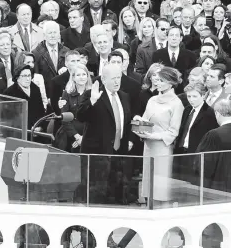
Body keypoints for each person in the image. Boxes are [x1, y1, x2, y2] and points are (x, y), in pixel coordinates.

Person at [76, 64, 133, 204]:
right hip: (98, 155)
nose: (117, 81)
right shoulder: (92, 95)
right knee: (96, 196)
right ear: (103, 79)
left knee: (117, 196)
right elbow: (81, 116)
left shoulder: (124, 96)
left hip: (119, 155)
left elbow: (126, 122)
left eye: (119, 78)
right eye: (113, 78)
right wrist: (92, 101)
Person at [134, 66, 184, 204]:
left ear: (170, 83)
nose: (157, 83)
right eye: (157, 80)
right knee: (149, 186)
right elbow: (145, 121)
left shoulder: (176, 103)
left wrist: (153, 136)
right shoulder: (152, 100)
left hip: (162, 148)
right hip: (148, 147)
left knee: (160, 188)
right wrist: (139, 122)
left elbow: (173, 132)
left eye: (161, 80)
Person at [174, 82, 218, 181]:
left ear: (203, 96)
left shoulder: (209, 113)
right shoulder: (187, 110)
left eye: (195, 96)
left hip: (196, 155)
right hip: (181, 152)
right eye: (189, 96)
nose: (191, 99)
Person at [3, 64, 46, 140]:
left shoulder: (35, 88)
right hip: (19, 134)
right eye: (24, 76)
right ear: (17, 77)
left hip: (37, 131)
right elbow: (8, 118)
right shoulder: (9, 93)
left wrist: (40, 127)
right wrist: (29, 129)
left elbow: (41, 112)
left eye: (29, 75)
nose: (28, 79)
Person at [56, 64, 92, 153]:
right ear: (73, 78)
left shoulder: (93, 93)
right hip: (69, 134)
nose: (82, 77)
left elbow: (96, 118)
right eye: (78, 75)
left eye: (84, 74)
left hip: (88, 135)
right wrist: (77, 137)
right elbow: (65, 118)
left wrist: (83, 138)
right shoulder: (67, 93)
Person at [152, 26, 197, 91]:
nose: (174, 38)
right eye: (171, 35)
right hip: (163, 91)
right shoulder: (157, 55)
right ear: (167, 37)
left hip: (184, 92)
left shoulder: (190, 55)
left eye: (176, 35)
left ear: (181, 38)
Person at [32, 21, 70, 99]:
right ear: (44, 36)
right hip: (46, 95)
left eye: (55, 32)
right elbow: (36, 77)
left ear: (59, 35)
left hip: (64, 95)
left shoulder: (67, 51)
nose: (53, 36)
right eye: (50, 33)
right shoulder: (36, 53)